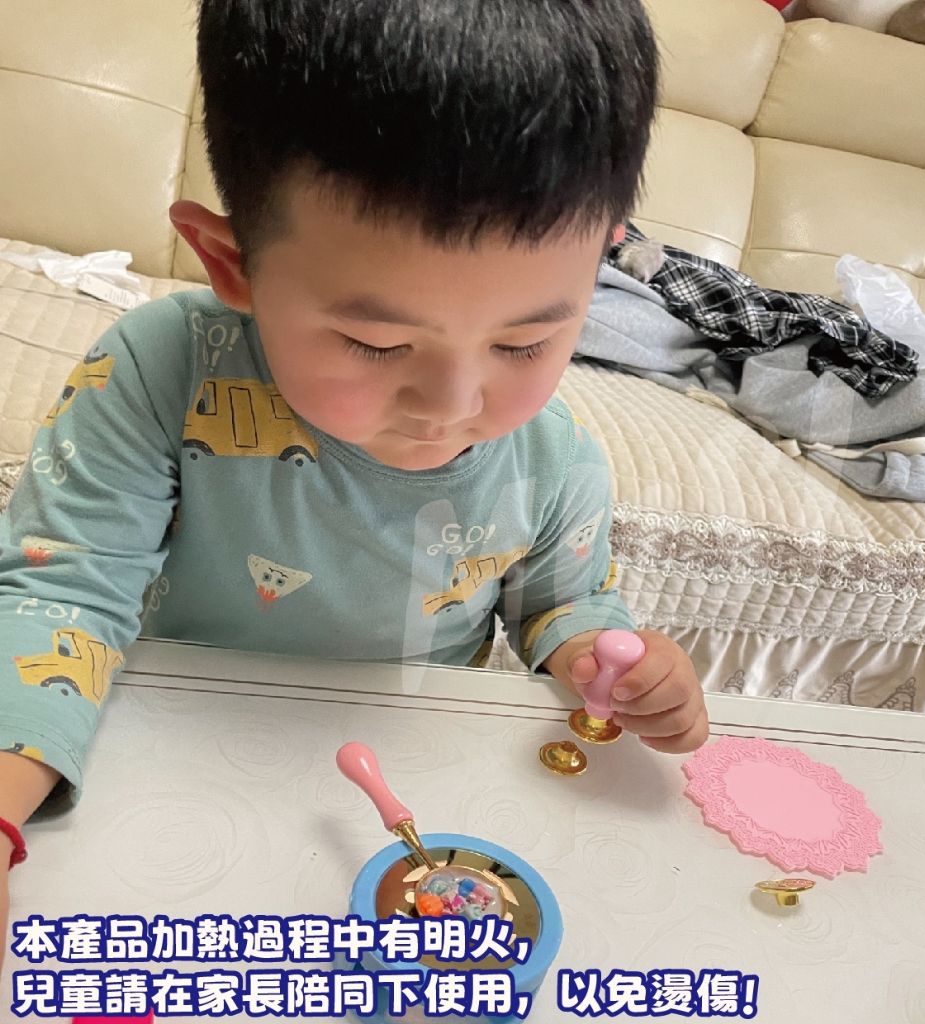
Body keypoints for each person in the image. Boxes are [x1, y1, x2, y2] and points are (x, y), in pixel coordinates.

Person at [0, 0, 708, 944]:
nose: (452, 403)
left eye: (526, 341)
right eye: (377, 342)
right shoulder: (159, 371)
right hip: (160, 750)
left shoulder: (556, 454)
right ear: (232, 265)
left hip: (401, 795)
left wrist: (607, 664)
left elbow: (560, 604)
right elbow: (62, 597)